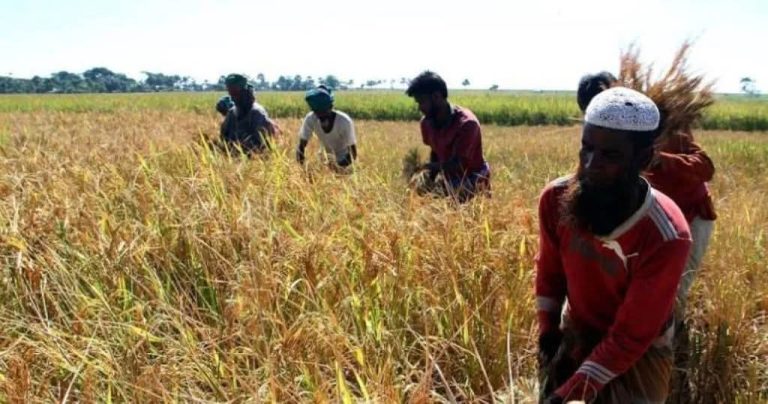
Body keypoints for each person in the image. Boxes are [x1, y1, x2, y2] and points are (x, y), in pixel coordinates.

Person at [536, 87, 691, 404]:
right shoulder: (556, 200)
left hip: (640, 351)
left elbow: (630, 336)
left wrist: (569, 394)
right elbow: (550, 272)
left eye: (610, 155)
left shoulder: (666, 234)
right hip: (578, 329)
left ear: (643, 158)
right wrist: (548, 333)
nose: (592, 164)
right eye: (587, 148)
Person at [576, 72, 716, 311]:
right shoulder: (600, 143)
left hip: (689, 217)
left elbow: (705, 167)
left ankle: (667, 343)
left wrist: (657, 160)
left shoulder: (663, 127)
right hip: (644, 219)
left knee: (670, 296)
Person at [405, 71, 490, 202]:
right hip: (449, 180)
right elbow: (435, 151)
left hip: (472, 181)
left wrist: (426, 168)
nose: (419, 108)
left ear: (436, 97)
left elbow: (458, 164)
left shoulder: (467, 124)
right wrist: (429, 181)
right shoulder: (426, 123)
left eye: (422, 101)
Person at [296, 85, 358, 171]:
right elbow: (301, 146)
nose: (321, 115)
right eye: (318, 113)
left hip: (346, 161)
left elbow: (353, 153)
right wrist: (302, 169)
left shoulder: (344, 121)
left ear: (331, 107)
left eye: (324, 112)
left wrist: (337, 166)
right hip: (325, 159)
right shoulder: (311, 118)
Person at [220, 73, 279, 154]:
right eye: (230, 92)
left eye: (235, 92)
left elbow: (261, 145)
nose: (233, 97)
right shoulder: (232, 113)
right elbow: (224, 137)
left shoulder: (256, 113)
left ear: (244, 92)